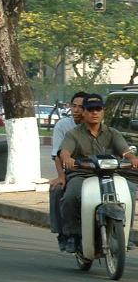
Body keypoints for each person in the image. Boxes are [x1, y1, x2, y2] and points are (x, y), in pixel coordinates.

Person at [57, 93, 138, 253]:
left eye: (98, 109)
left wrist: (132, 158)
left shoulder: (112, 133)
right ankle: (72, 234)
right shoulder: (74, 134)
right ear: (84, 112)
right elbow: (64, 151)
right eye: (90, 109)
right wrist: (67, 157)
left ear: (103, 112)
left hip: (109, 175)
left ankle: (126, 235)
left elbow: (125, 151)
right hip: (82, 175)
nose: (94, 113)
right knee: (70, 197)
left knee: (130, 191)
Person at [48, 91, 86, 250]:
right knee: (59, 191)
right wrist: (61, 176)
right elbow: (57, 154)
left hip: (98, 172)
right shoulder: (64, 126)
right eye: (74, 106)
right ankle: (65, 234)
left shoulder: (102, 127)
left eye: (81, 107)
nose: (76, 110)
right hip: (73, 172)